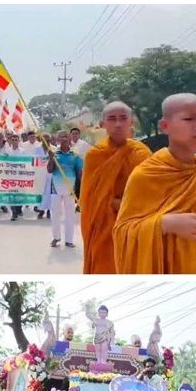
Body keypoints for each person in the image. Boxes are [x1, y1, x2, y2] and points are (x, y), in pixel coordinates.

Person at [114, 93, 196, 274]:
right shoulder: (146, 175)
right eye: (189, 119)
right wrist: (165, 223)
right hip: (170, 269)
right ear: (164, 126)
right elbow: (123, 232)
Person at [79, 102, 153, 274]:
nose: (118, 124)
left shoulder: (142, 154)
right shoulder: (95, 155)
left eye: (123, 119)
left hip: (134, 226)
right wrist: (112, 204)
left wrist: (124, 205)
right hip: (104, 228)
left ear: (131, 122)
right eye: (112, 119)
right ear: (103, 124)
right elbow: (88, 199)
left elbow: (152, 195)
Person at [47, 130, 84, 248]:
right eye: (61, 136)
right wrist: (51, 159)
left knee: (70, 215)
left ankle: (69, 240)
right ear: (57, 139)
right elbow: (49, 170)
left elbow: (79, 173)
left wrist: (80, 190)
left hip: (70, 189)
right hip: (56, 189)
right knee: (55, 214)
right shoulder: (53, 153)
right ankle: (56, 237)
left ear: (69, 139)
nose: (64, 138)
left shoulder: (75, 154)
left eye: (66, 136)